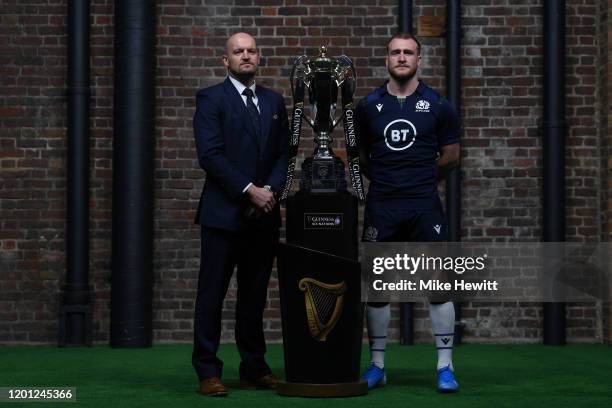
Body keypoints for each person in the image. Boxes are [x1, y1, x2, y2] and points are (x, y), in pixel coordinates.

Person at [356, 33, 461, 392]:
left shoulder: (438, 105)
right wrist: (389, 179)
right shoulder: (368, 106)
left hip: (423, 205)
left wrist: (420, 177)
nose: (402, 58)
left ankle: (445, 367)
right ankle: (377, 365)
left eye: (408, 53)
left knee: (437, 286)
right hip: (382, 205)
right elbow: (361, 158)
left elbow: (451, 155)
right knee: (377, 288)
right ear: (386, 59)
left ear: (419, 59)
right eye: (395, 53)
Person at [191, 32, 289, 397]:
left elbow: (283, 154)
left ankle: (253, 367)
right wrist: (250, 189)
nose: (246, 56)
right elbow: (210, 155)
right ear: (226, 60)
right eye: (238, 52)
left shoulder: (275, 101)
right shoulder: (211, 99)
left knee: (254, 297)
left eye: (251, 51)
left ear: (257, 57)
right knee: (212, 296)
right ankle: (207, 370)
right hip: (223, 215)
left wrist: (272, 192)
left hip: (263, 216)